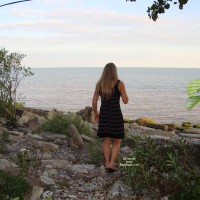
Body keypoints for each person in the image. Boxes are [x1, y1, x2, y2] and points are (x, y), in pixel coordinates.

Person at [92, 62, 129, 173]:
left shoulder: (100, 84)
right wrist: (123, 92)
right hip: (116, 115)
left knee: (106, 140)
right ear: (114, 72)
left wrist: (95, 113)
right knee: (117, 140)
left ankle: (107, 162)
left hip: (104, 115)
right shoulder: (119, 84)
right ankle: (112, 163)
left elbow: (94, 101)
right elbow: (125, 101)